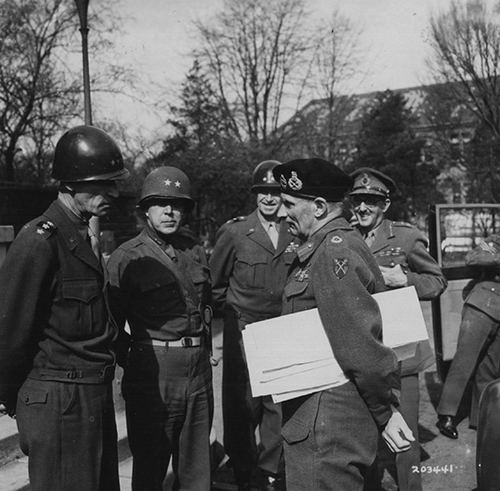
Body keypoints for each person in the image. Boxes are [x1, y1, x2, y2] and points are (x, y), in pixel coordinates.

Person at [272, 158, 414, 491]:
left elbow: (360, 345)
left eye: (290, 204)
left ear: (320, 207)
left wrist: (385, 410)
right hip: (328, 418)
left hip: (327, 422)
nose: (281, 213)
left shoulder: (332, 253)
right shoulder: (334, 246)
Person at [0, 125, 128, 491]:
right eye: (103, 183)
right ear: (71, 183)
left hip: (89, 396)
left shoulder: (80, 235)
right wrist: (15, 397)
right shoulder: (39, 241)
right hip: (59, 401)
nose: (113, 193)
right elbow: (10, 331)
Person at [106, 166, 213, 491]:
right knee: (151, 469)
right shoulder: (128, 258)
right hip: (154, 373)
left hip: (198, 371)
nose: (170, 211)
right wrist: (138, 358)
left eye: (177, 204)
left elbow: (205, 306)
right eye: (160, 203)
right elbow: (109, 322)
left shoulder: (193, 251)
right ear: (145, 210)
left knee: (197, 471)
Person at [349, 167, 447, 491]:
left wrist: (405, 279)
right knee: (364, 439)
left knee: (405, 440)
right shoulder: (345, 237)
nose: (363, 208)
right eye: (358, 200)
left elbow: (437, 281)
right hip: (364, 354)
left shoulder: (405, 236)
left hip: (402, 356)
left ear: (385, 205)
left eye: (371, 201)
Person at [210, 160, 298, 491]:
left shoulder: (295, 229)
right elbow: (216, 286)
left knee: (278, 403)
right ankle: (243, 468)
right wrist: (234, 319)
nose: (269, 199)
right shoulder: (235, 233)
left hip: (282, 329)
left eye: (275, 192)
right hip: (244, 330)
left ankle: (270, 468)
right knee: (242, 404)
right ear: (255, 195)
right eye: (263, 192)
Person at [436, 233, 500, 440]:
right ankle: (446, 414)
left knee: (489, 369)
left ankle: (480, 417)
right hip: (482, 305)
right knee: (464, 361)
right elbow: (473, 257)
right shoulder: (494, 240)